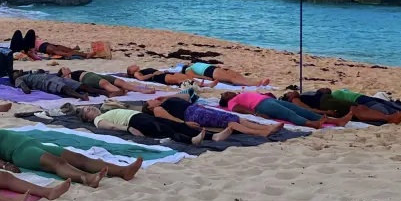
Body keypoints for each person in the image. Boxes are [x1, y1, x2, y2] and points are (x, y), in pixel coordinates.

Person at [0, 128, 141, 186]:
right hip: (21, 152)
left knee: (79, 158)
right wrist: (5, 165)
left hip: (35, 144)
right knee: (57, 163)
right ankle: (87, 178)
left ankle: (122, 171)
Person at [145, 94, 283, 138]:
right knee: (229, 121)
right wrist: (185, 124)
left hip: (196, 108)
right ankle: (262, 132)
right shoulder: (158, 109)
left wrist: (166, 96)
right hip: (192, 114)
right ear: (149, 107)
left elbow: (187, 96)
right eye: (148, 101)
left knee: (234, 118)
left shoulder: (165, 101)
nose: (151, 99)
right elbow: (171, 120)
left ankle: (267, 127)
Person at [290, 86, 401, 121]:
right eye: (288, 93)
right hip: (329, 105)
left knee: (367, 105)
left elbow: (327, 89)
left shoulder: (309, 95)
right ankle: (390, 118)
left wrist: (321, 91)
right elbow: (308, 109)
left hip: (333, 101)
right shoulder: (295, 100)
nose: (292, 91)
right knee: (361, 109)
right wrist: (325, 113)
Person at [218, 90, 352, 129]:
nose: (228, 92)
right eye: (225, 94)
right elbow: (237, 109)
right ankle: (310, 124)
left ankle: (336, 121)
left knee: (299, 110)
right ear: (226, 100)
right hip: (262, 105)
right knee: (289, 113)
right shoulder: (232, 102)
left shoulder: (240, 94)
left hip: (268, 100)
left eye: (227, 92)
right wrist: (256, 113)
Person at [77, 105, 205, 144]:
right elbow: (111, 126)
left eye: (90, 107)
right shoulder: (97, 120)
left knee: (174, 124)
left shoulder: (105, 112)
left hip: (140, 116)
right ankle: (191, 140)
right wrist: (128, 128)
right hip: (133, 121)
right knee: (165, 130)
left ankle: (213, 136)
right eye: (87, 111)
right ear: (87, 119)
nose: (91, 109)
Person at [57, 69, 156, 97]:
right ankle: (119, 92)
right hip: (88, 78)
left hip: (93, 74)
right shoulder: (67, 77)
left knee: (120, 81)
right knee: (105, 83)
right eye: (64, 69)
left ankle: (142, 90)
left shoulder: (71, 73)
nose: (66, 68)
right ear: (63, 74)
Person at [175, 61, 270, 87]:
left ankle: (252, 82)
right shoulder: (188, 69)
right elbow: (193, 76)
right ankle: (255, 83)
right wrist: (206, 78)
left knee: (235, 74)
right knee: (231, 78)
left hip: (213, 69)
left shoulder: (194, 64)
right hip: (210, 72)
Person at [10, 69, 87, 99]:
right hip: (46, 82)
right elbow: (26, 90)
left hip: (52, 78)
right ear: (14, 77)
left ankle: (99, 91)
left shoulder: (28, 75)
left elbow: (42, 72)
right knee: (64, 87)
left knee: (81, 86)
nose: (18, 72)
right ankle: (81, 96)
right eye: (16, 73)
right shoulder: (18, 79)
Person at [125, 66, 208, 87]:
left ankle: (202, 84)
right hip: (159, 77)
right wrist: (152, 74)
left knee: (184, 76)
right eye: (131, 66)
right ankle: (198, 85)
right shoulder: (136, 73)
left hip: (163, 74)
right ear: (131, 72)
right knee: (179, 80)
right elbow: (141, 78)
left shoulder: (141, 71)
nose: (134, 65)